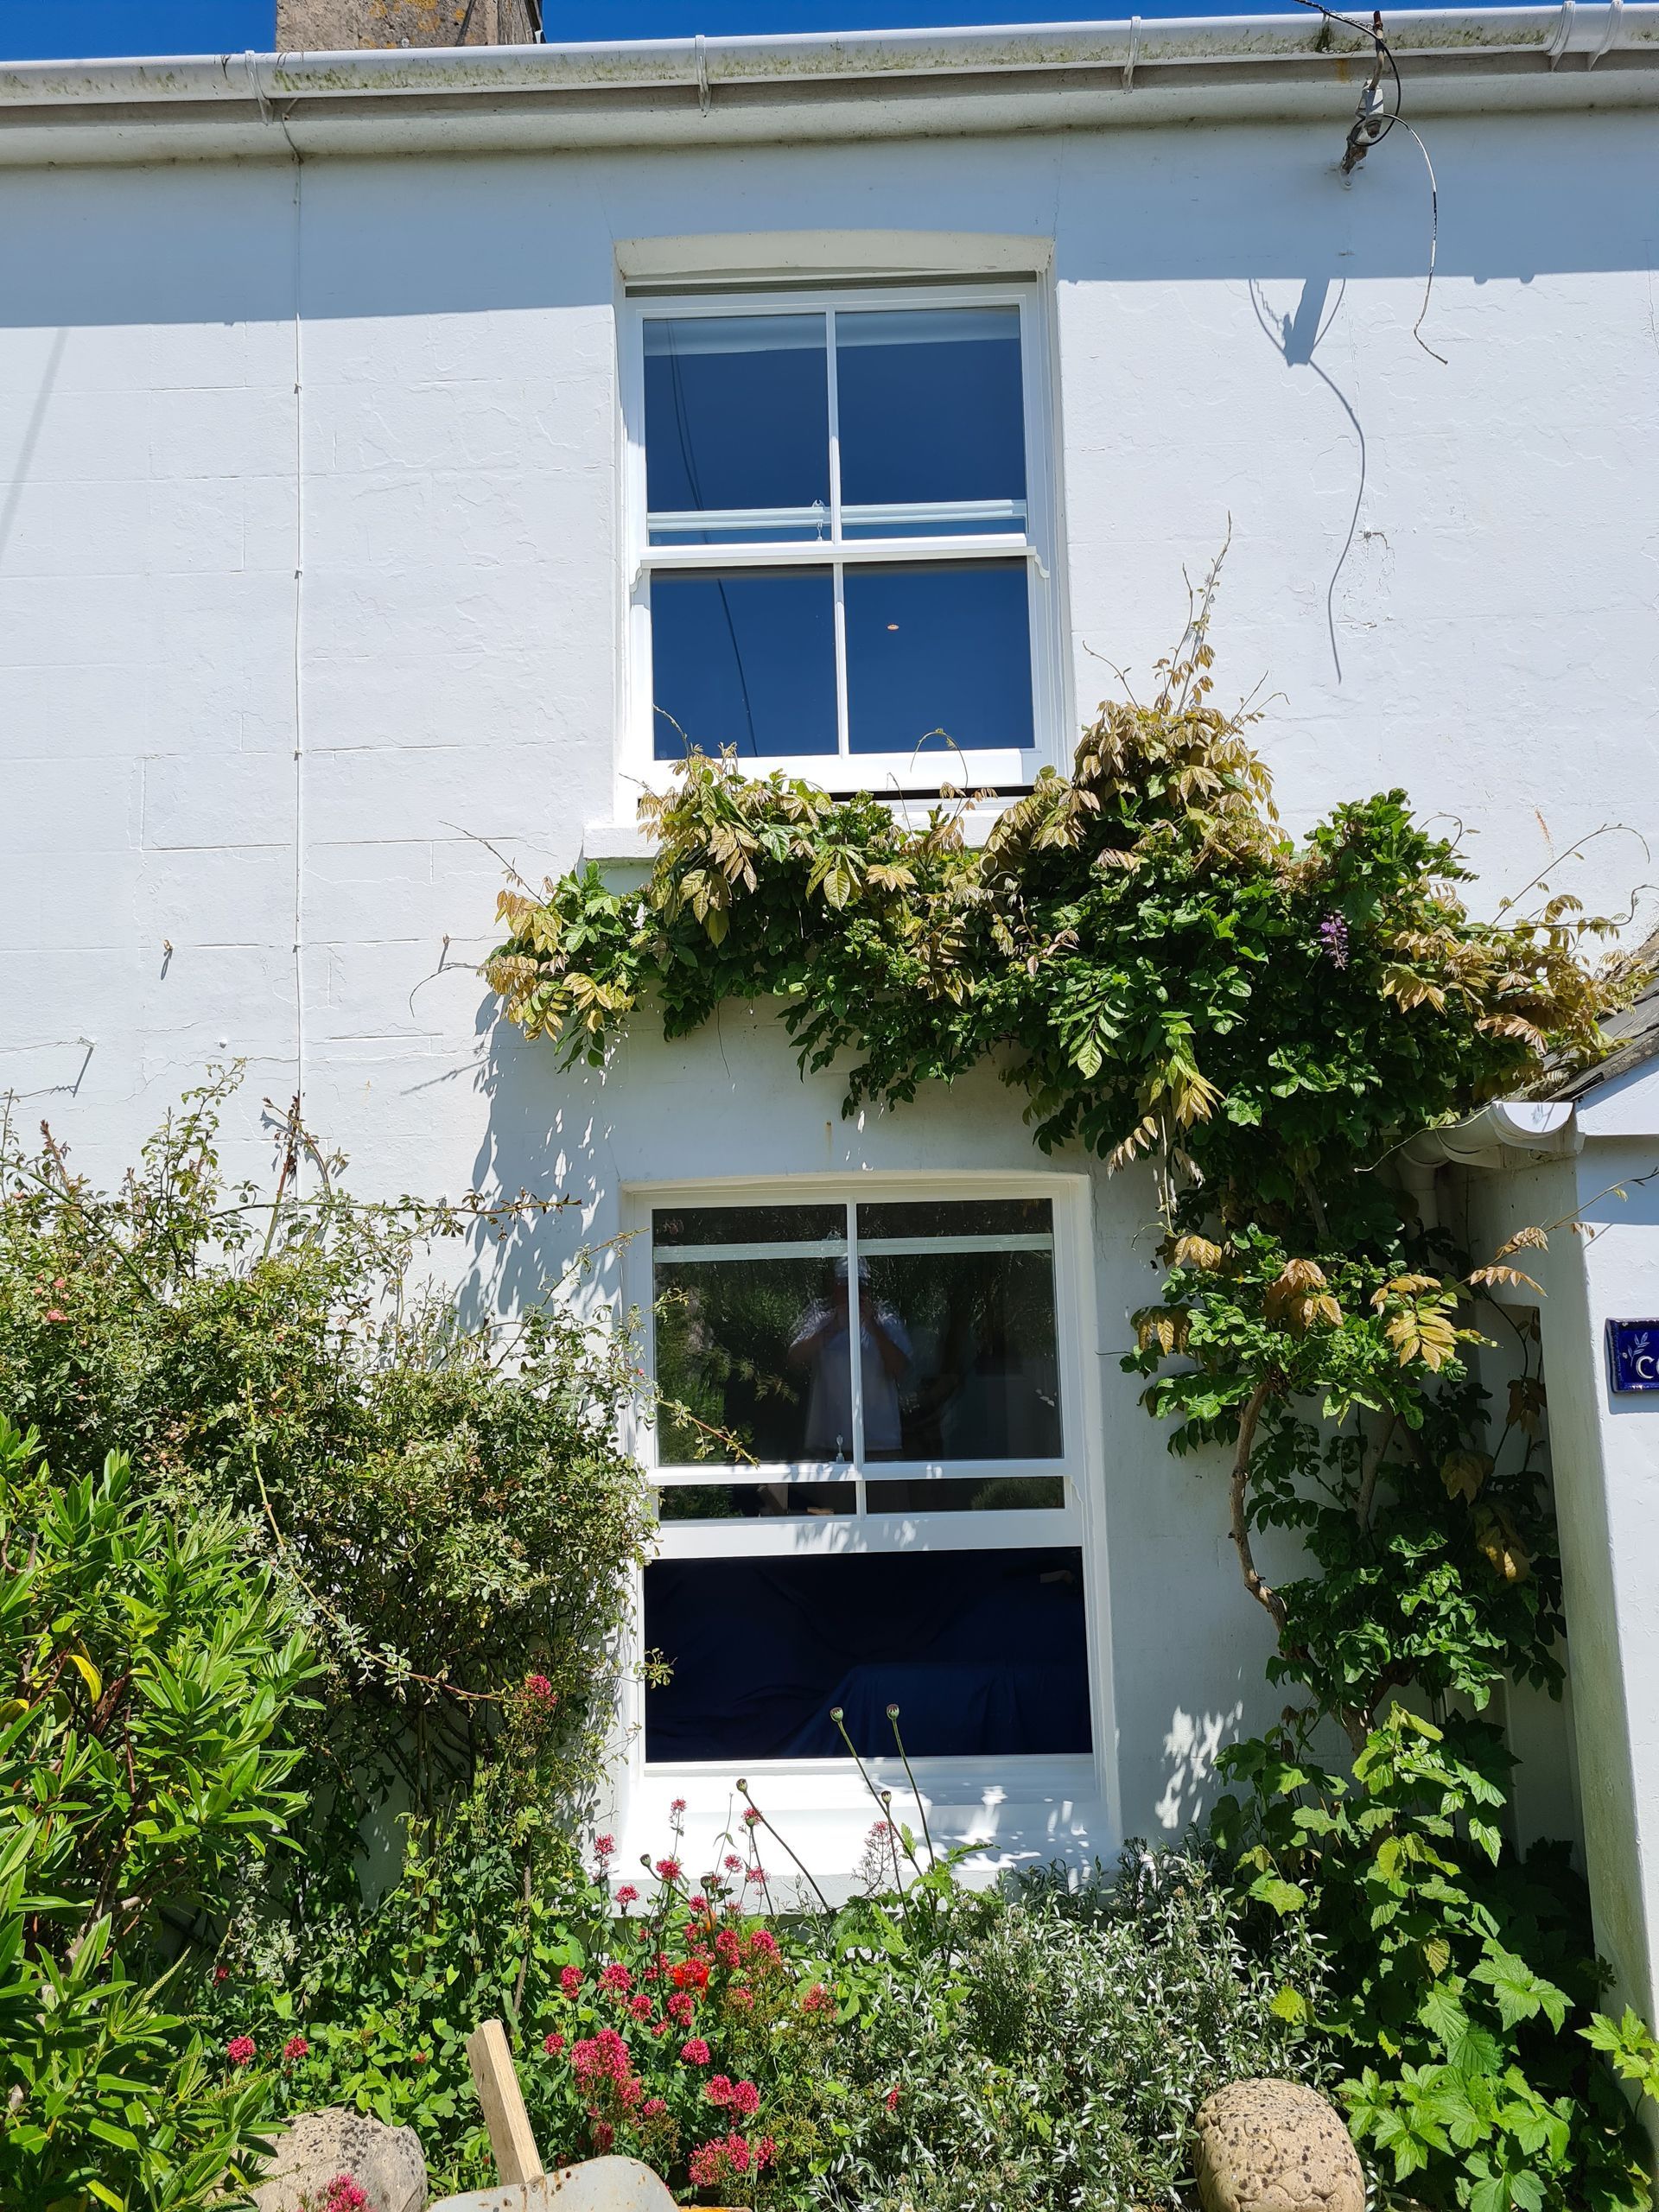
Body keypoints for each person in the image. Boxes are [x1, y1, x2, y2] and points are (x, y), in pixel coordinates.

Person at [788, 1257, 912, 1460]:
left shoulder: (885, 1319)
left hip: (883, 1444)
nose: (854, 1293)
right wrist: (832, 1328)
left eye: (860, 1287)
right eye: (847, 1286)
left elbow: (900, 1370)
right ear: (834, 1287)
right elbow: (794, 1359)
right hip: (831, 1444)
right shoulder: (821, 1318)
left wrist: (873, 1327)